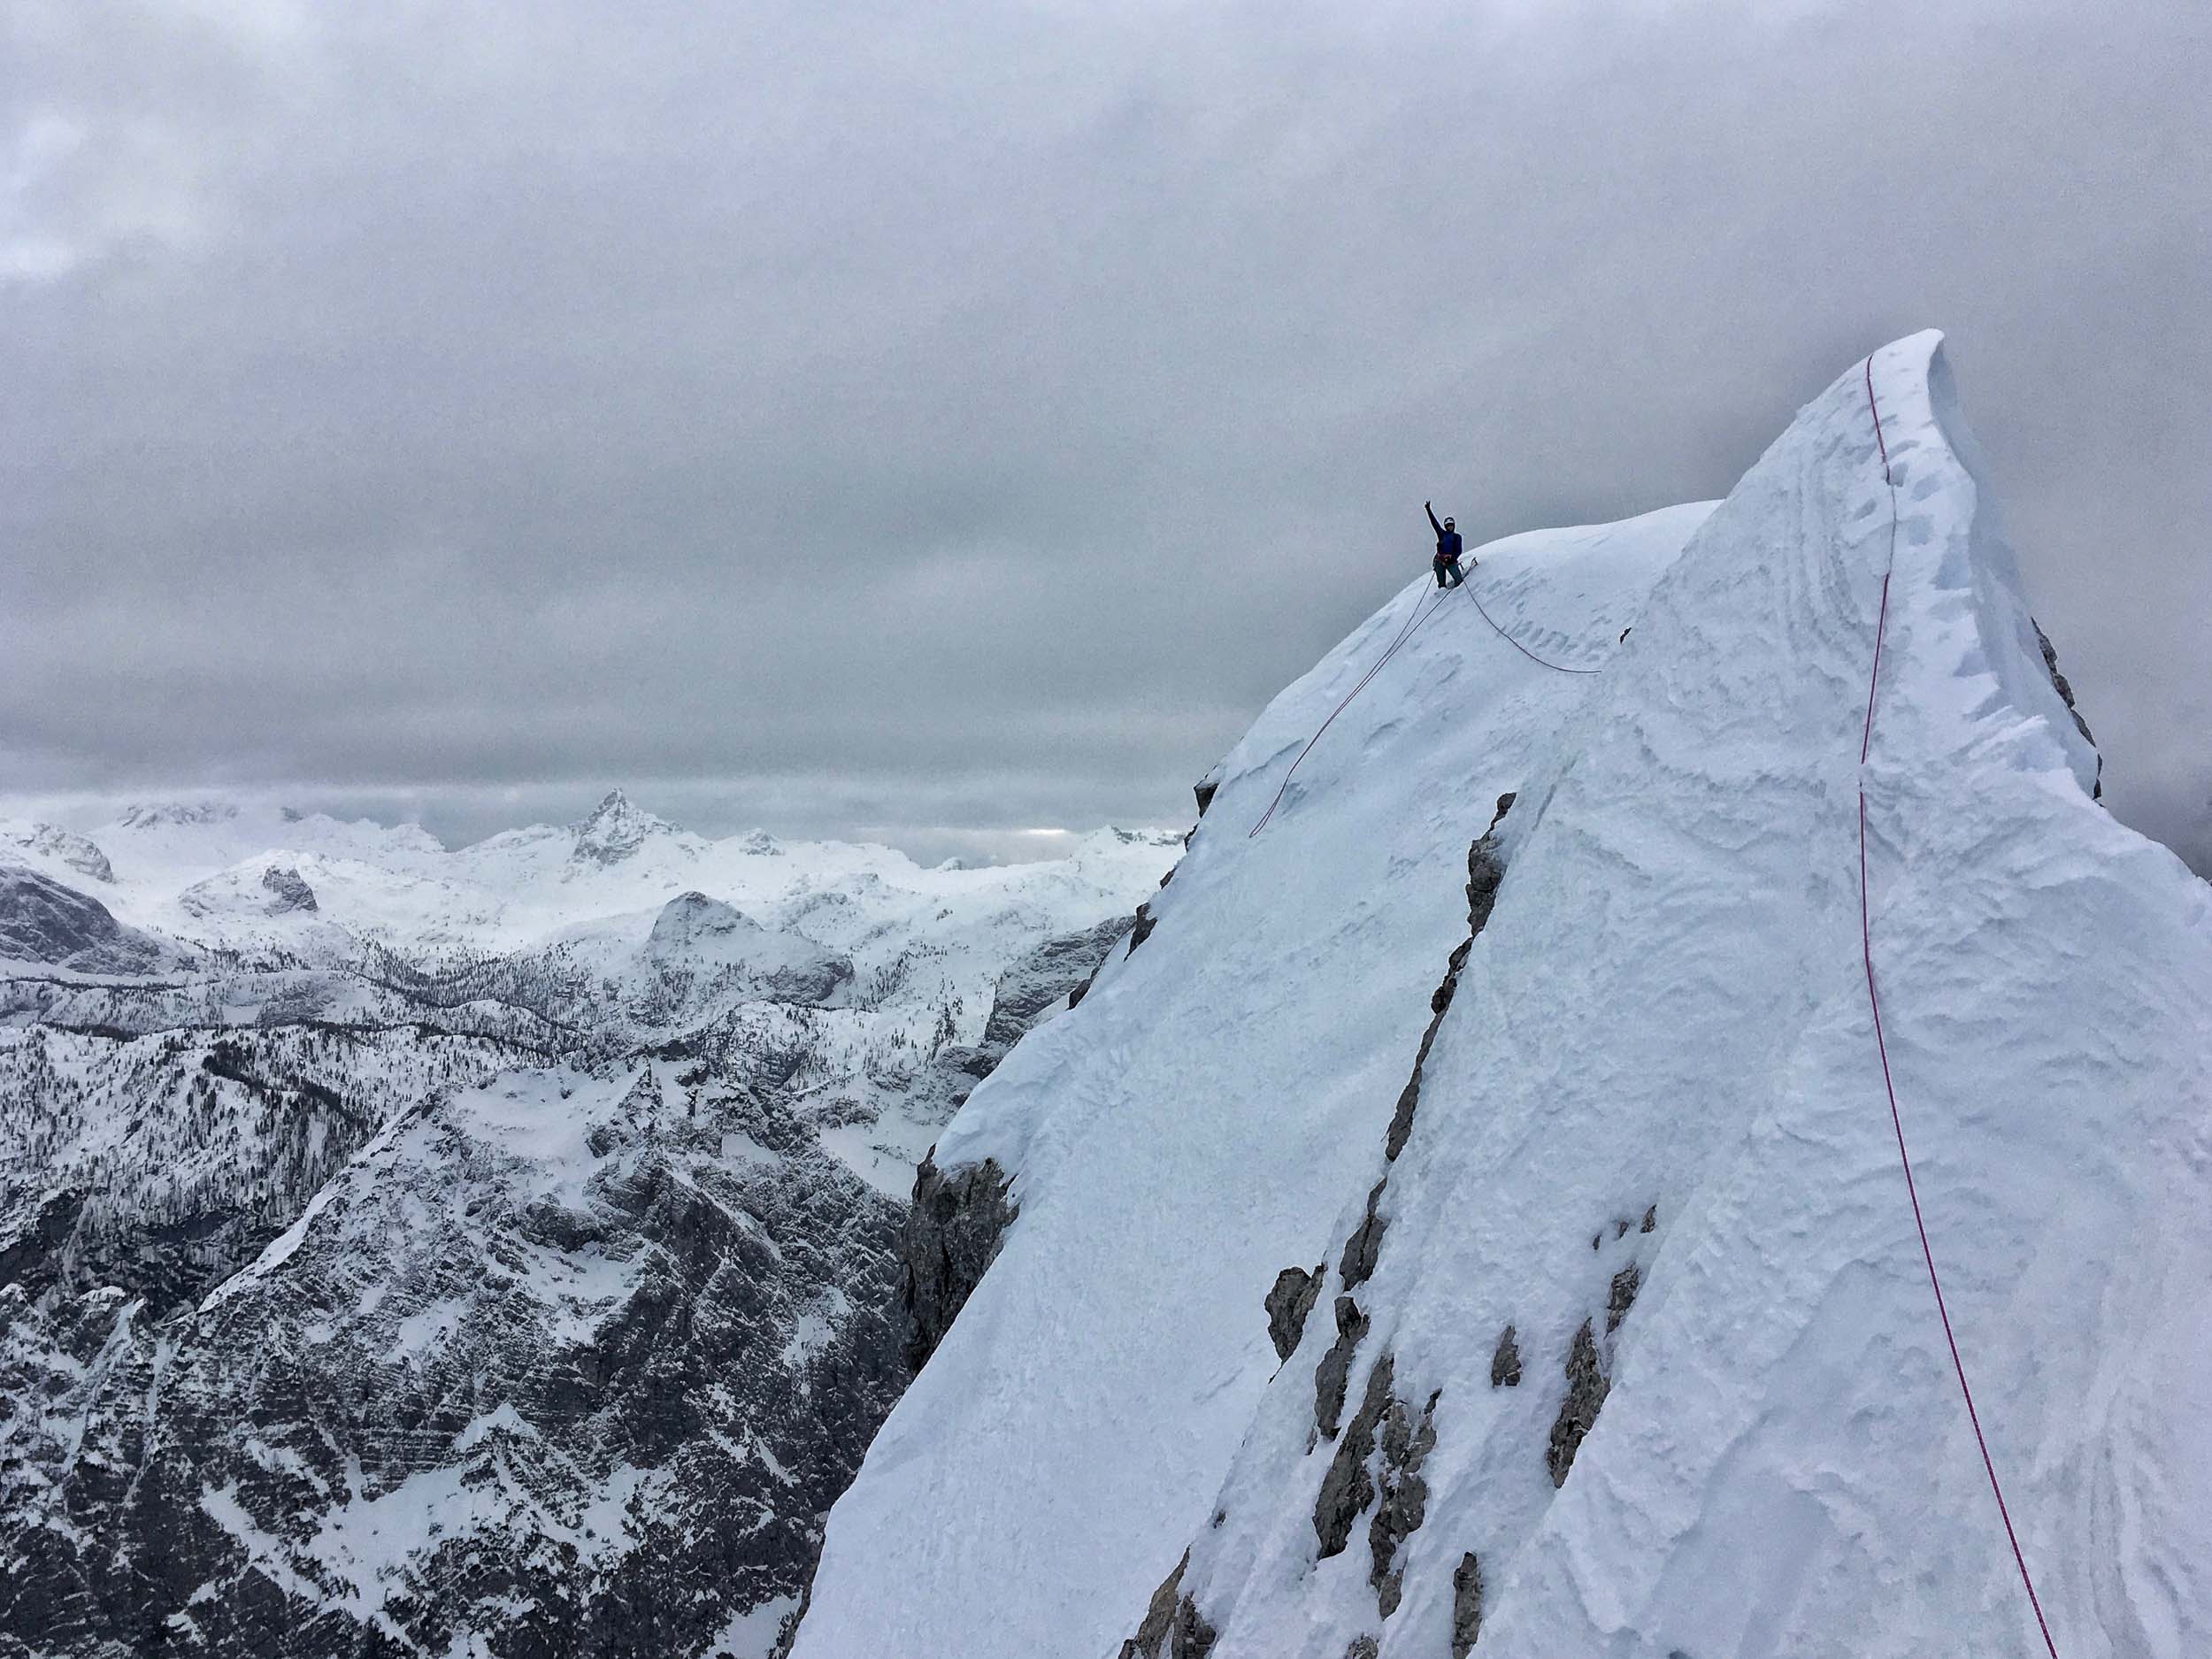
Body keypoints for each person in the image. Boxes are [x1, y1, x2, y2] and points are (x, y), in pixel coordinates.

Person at [1425, 501, 1468, 588]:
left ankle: (1459, 594)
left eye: (1451, 525)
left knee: (1459, 580)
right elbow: (1434, 523)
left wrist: (1453, 558)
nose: (1450, 527)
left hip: (1450, 560)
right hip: (1440, 560)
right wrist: (1428, 510)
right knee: (1441, 583)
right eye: (1448, 526)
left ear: (1454, 525)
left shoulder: (1457, 537)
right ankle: (1443, 594)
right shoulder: (1442, 534)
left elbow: (1458, 550)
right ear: (1445, 526)